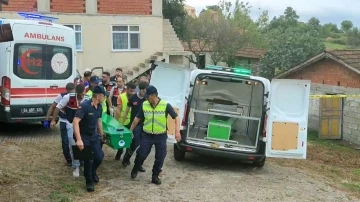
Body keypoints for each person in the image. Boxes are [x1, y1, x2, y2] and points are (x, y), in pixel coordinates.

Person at [130, 85, 181, 185]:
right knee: (141, 153)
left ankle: (155, 176)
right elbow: (137, 118)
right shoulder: (144, 104)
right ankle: (136, 167)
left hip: (160, 136)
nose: (146, 98)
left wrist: (177, 132)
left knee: (160, 156)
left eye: (147, 96)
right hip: (147, 135)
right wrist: (130, 131)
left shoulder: (165, 105)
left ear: (153, 96)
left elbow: (176, 118)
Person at [50, 84, 89, 177]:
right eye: (79, 95)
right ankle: (76, 166)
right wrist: (53, 120)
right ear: (76, 92)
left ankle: (85, 164)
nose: (81, 97)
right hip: (70, 123)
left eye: (82, 94)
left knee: (85, 143)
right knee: (73, 144)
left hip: (82, 125)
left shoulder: (88, 99)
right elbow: (57, 107)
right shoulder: (68, 97)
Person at [73, 86, 106, 192]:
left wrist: (102, 134)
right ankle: (89, 182)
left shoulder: (99, 106)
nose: (105, 98)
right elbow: (75, 122)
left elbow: (99, 120)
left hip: (94, 136)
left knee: (99, 157)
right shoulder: (84, 106)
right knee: (89, 160)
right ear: (98, 96)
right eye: (104, 96)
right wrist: (78, 139)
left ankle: (92, 172)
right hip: (84, 136)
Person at [43, 82, 75, 167]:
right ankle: (68, 160)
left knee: (75, 141)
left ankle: (78, 159)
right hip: (64, 120)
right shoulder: (62, 96)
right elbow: (53, 107)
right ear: (66, 90)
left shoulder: (77, 96)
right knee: (65, 142)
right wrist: (48, 119)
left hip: (74, 122)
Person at [120, 81, 148, 168]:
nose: (144, 93)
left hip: (145, 124)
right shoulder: (133, 98)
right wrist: (121, 124)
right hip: (135, 124)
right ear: (139, 90)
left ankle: (139, 163)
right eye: (143, 91)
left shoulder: (147, 99)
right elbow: (126, 112)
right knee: (135, 142)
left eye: (146, 91)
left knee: (144, 145)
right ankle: (126, 157)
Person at [114, 82, 136, 161]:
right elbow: (118, 110)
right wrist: (116, 122)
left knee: (130, 141)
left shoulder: (136, 97)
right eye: (130, 91)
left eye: (133, 91)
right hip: (122, 122)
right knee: (121, 139)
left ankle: (126, 157)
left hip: (132, 122)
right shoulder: (121, 97)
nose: (132, 93)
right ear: (127, 89)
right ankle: (119, 152)